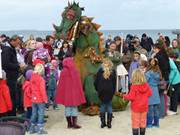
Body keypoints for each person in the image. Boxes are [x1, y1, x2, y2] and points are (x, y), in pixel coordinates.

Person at [55, 57, 86, 129]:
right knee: (74, 108)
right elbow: (78, 83)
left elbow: (61, 84)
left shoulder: (63, 71)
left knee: (67, 108)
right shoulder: (75, 71)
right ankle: (74, 124)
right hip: (74, 93)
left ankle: (69, 124)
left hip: (66, 94)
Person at [1, 35, 25, 116]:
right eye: (17, 43)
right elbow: (5, 64)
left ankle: (13, 114)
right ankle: (11, 115)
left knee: (14, 96)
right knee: (11, 97)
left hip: (13, 76)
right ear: (12, 41)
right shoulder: (7, 50)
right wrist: (18, 66)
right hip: (9, 77)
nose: (18, 45)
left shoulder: (11, 48)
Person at [123, 69, 152, 135]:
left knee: (135, 123)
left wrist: (124, 96)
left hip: (136, 108)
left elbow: (131, 97)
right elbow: (150, 93)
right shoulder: (146, 85)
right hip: (144, 107)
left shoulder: (134, 87)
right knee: (143, 122)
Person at [94, 58, 116, 128]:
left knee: (103, 105)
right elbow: (114, 83)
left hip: (101, 91)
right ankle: (109, 123)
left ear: (103, 64)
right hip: (110, 91)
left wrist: (97, 89)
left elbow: (95, 82)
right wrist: (113, 91)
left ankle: (103, 123)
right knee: (109, 105)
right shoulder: (113, 71)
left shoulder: (99, 71)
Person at [29, 63, 48, 134]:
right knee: (41, 114)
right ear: (41, 71)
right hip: (40, 99)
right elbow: (42, 90)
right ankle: (40, 129)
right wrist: (45, 99)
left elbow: (30, 88)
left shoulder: (32, 78)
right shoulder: (41, 79)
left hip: (33, 99)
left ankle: (31, 128)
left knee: (34, 113)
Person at [145, 58, 161, 128]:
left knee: (150, 108)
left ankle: (149, 124)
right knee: (156, 108)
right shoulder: (158, 72)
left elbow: (145, 81)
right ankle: (156, 123)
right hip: (156, 90)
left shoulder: (149, 72)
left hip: (149, 90)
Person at [167, 51, 180, 115]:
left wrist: (170, 78)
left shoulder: (169, 60)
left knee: (174, 95)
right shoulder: (168, 60)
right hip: (174, 80)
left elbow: (174, 69)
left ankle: (174, 110)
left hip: (176, 80)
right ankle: (171, 109)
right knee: (172, 95)